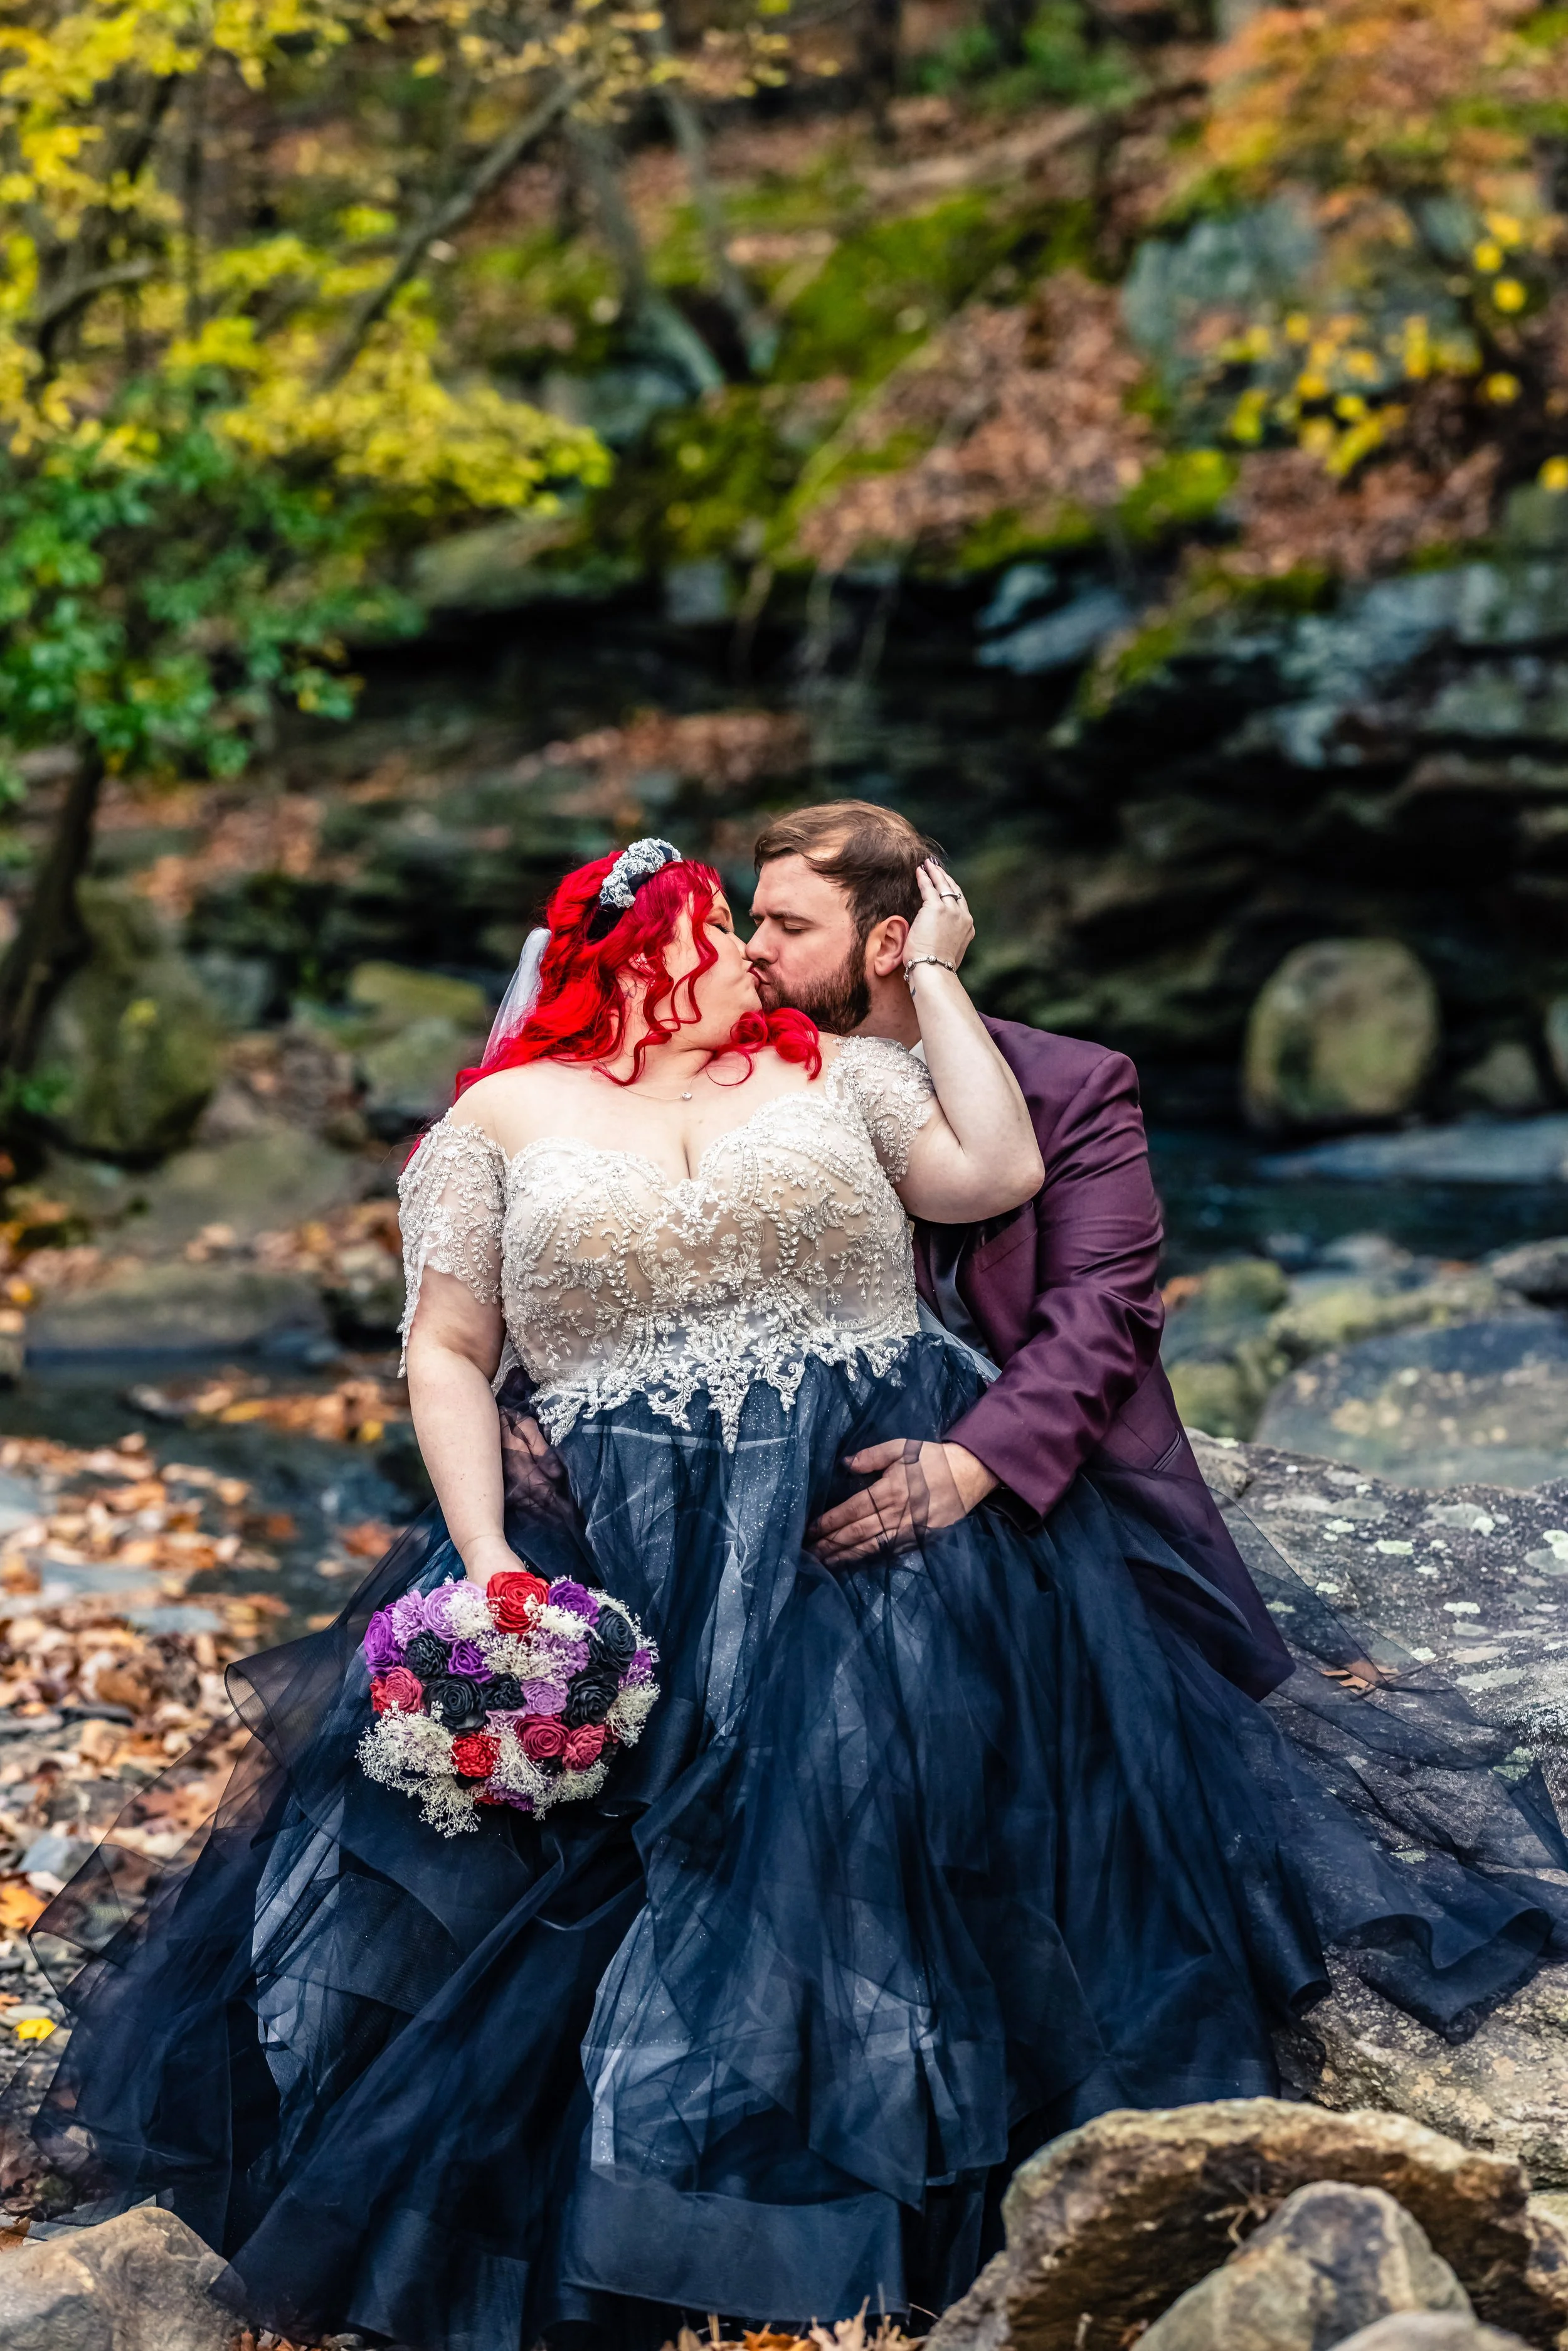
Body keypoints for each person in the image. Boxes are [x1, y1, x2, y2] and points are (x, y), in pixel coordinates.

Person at [23, 840, 1568, 2351]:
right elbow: (445, 1349)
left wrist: (942, 976)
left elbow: (999, 1167)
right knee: (571, 1869)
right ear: (636, 960)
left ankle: (899, 2222)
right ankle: (605, 2232)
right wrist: (491, 1562)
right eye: (720, 935)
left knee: (868, 1827)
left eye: (763, 932)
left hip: (862, 1516)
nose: (750, 963)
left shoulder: (835, 1073)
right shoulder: (499, 1117)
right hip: (619, 1528)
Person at [744, 800, 1290, 1699]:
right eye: (754, 917)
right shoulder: (739, 1081)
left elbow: (1103, 1313)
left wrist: (972, 1464)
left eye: (788, 925)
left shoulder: (1072, 1087)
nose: (751, 946)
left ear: (889, 946)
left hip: (1045, 1483)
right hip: (812, 1472)